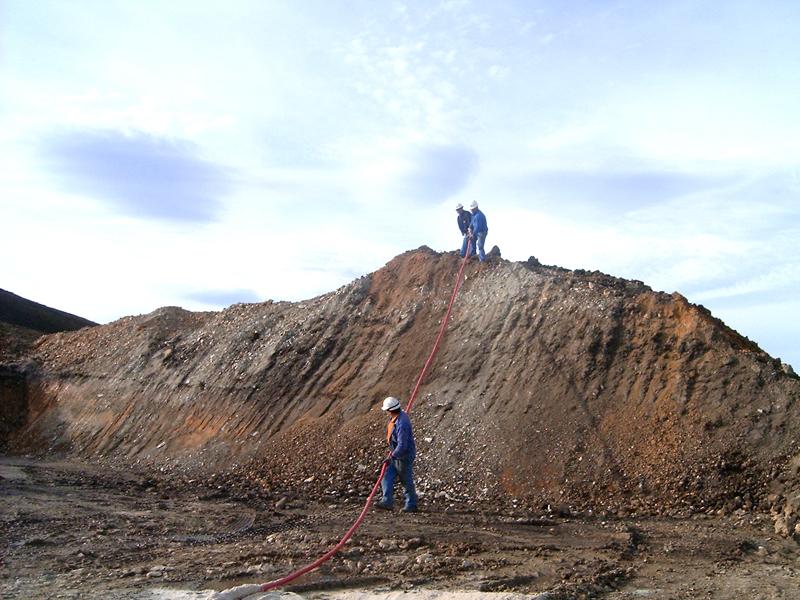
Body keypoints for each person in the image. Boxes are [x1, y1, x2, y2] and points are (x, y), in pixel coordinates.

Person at [376, 396, 418, 512]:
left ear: (390, 410)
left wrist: (393, 456)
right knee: (386, 475)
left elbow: (402, 445)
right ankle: (387, 501)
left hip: (403, 456)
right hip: (396, 454)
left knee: (405, 479)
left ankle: (411, 504)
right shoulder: (396, 418)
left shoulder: (402, 424)